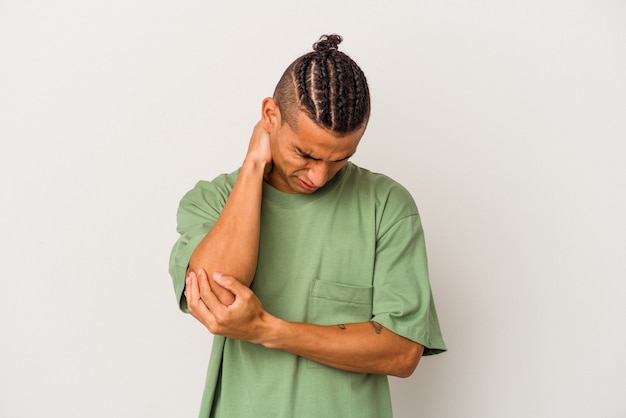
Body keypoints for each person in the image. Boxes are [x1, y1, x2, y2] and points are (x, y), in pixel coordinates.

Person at [169, 34, 446, 418]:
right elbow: (218, 302)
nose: (318, 176)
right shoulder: (213, 200)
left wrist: (268, 329)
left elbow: (402, 352)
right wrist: (253, 166)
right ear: (270, 116)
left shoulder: (387, 206)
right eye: (306, 153)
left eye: (340, 159)